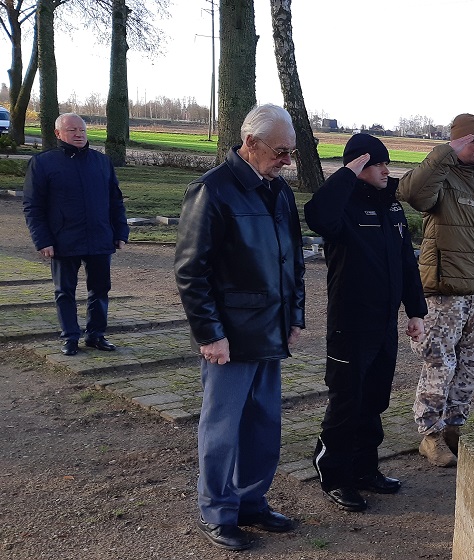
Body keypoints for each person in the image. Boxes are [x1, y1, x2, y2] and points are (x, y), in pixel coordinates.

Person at [174, 104, 305, 551]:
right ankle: (216, 510)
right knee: (222, 428)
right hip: (229, 336)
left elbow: (294, 261)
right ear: (250, 143)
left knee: (264, 424)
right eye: (281, 151)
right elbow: (191, 271)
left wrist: (294, 316)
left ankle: (251, 501)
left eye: (291, 152)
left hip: (270, 329)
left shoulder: (279, 192)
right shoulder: (211, 190)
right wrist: (210, 334)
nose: (287, 160)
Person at [304, 134, 427, 512]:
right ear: (358, 165)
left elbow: (406, 263)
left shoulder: (391, 206)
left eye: (386, 163)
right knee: (347, 400)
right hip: (350, 323)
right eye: (377, 164)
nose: (386, 170)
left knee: (374, 398)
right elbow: (317, 215)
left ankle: (364, 469)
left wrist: (416, 311)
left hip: (383, 323)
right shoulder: (342, 204)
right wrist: (346, 173)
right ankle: (335, 474)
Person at [397, 113, 474, 467]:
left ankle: (454, 427)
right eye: (472, 140)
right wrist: (444, 153)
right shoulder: (441, 175)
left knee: (471, 366)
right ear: (457, 141)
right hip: (444, 293)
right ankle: (430, 435)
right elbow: (411, 193)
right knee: (440, 364)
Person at [23, 113, 129, 356]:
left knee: (100, 290)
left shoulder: (101, 162)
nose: (79, 134)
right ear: (58, 133)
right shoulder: (43, 163)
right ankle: (70, 337)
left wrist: (120, 231)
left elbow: (115, 200)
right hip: (63, 239)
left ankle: (96, 335)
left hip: (99, 237)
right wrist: (43, 240)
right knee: (65, 291)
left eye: (82, 130)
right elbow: (33, 207)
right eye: (72, 130)